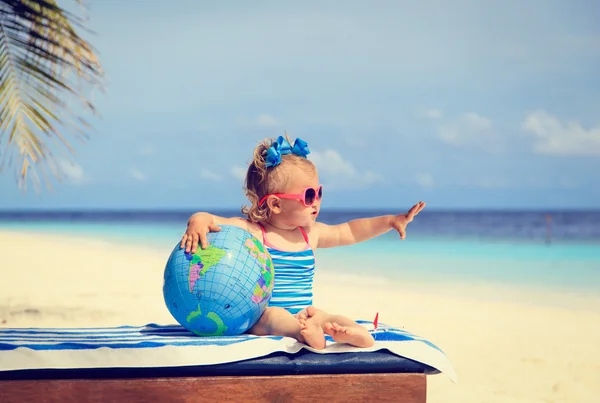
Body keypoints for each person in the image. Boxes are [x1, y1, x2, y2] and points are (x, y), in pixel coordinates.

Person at [180, 135, 425, 350]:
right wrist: (197, 221)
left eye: (318, 193)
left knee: (327, 315)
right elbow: (212, 219)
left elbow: (350, 231)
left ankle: (354, 333)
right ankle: (301, 334)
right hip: (261, 316)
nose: (316, 201)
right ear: (275, 204)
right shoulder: (255, 232)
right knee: (273, 315)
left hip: (305, 313)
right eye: (308, 196)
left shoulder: (311, 233)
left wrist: (391, 221)